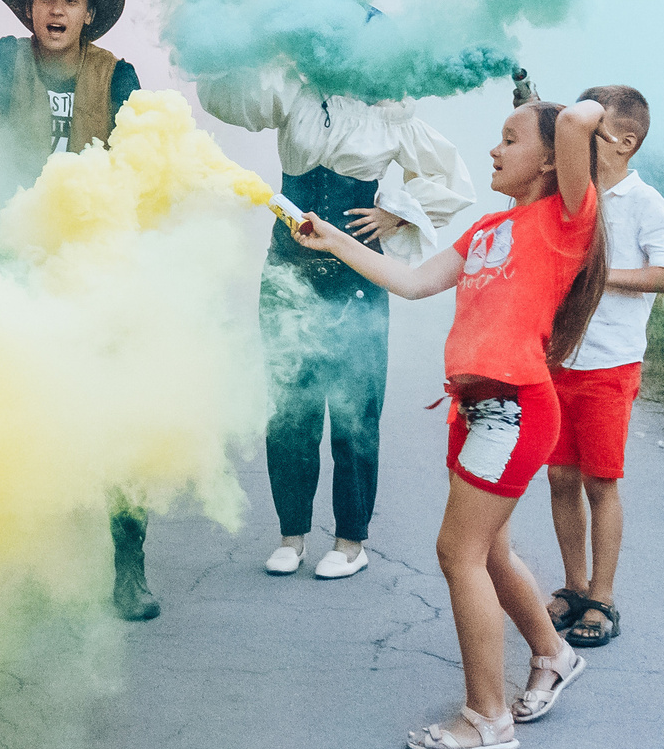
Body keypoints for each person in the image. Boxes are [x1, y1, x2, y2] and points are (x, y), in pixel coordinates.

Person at [291, 97, 606, 749]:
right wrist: (334, 239)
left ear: (551, 160)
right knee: (488, 551)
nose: (493, 150)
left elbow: (578, 121)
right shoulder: (487, 230)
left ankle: (487, 717)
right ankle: (553, 654)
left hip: (515, 409)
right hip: (475, 410)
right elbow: (408, 280)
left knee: (456, 552)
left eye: (510, 139)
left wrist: (557, 104)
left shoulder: (563, 222)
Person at [0, 0, 159, 621]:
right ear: (30, 8)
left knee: (118, 422)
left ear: (88, 14)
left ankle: (129, 569)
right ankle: (24, 567)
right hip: (17, 262)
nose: (57, 8)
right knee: (18, 411)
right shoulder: (6, 60)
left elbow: (146, 156)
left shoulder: (119, 76)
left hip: (95, 265)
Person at [196, 70, 470, 580]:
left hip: (357, 275)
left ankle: (350, 541)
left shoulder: (393, 115)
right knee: (288, 406)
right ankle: (291, 535)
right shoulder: (295, 91)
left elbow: (452, 179)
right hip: (288, 266)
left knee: (355, 409)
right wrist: (225, 52)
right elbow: (229, 101)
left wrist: (396, 214)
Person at [543, 85, 664, 650]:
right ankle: (574, 587)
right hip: (558, 359)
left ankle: (602, 597)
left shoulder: (645, 203)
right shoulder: (570, 195)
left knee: (601, 482)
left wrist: (601, 276)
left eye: (586, 133)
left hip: (609, 366)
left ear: (624, 143)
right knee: (559, 477)